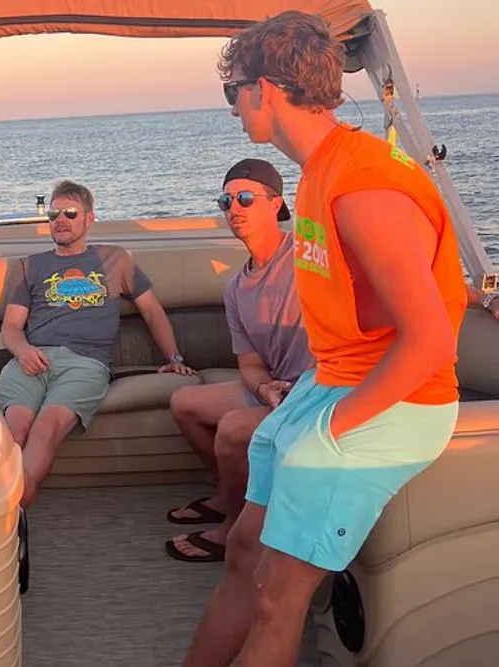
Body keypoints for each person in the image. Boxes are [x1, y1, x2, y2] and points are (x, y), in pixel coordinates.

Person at [182, 11, 467, 667]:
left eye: (234, 94)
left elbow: (428, 341)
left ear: (266, 89)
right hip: (334, 382)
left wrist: (333, 427)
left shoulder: (362, 185)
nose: (232, 111)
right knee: (243, 550)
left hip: (395, 400)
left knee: (278, 602)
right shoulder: (318, 172)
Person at [0, 179, 196, 507]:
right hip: (31, 359)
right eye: (54, 213)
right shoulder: (30, 265)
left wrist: (174, 356)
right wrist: (23, 351)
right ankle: (1, 520)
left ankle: (4, 520)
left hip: (85, 363)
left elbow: (151, 310)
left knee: (45, 427)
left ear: (89, 219)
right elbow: (12, 327)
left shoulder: (115, 259)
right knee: (15, 431)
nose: (60, 220)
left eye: (70, 213)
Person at [164, 158, 313, 564]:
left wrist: (481, 296)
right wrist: (264, 388)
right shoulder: (236, 289)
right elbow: (248, 362)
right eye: (226, 201)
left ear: (276, 203)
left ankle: (236, 528)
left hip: (318, 389)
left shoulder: (308, 256)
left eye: (245, 198)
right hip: (278, 387)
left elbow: (387, 272)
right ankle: (226, 493)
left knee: (231, 430)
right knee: (184, 404)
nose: (234, 208)